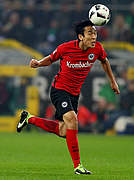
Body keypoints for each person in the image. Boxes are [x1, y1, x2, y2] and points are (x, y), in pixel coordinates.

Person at [17, 20, 120, 175]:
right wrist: (38, 63)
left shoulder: (97, 49)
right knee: (72, 120)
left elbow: (105, 61)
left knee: (65, 131)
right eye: (90, 33)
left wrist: (112, 81)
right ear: (80, 36)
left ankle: (29, 119)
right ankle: (78, 166)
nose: (94, 37)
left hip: (74, 94)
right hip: (59, 90)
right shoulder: (66, 48)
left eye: (95, 33)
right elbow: (51, 58)